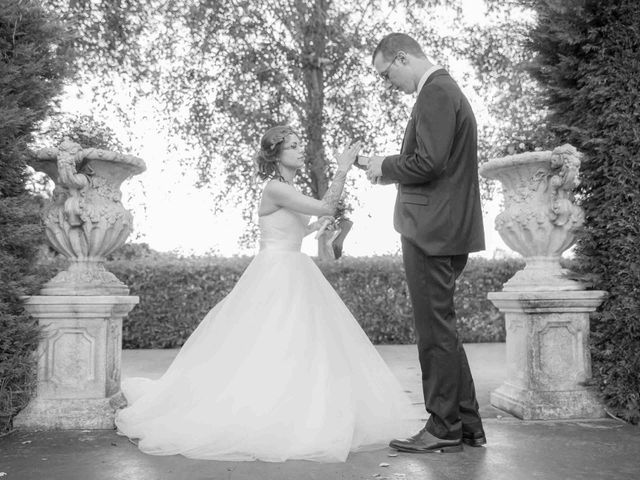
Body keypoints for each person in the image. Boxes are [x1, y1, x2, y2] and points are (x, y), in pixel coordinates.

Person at [115, 125, 414, 462]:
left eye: (302, 145)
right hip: (274, 271)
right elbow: (326, 205)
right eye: (294, 146)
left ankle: (301, 413)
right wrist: (343, 168)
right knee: (270, 341)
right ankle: (263, 413)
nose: (302, 150)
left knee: (301, 346)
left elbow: (310, 231)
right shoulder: (274, 188)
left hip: (296, 268)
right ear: (276, 154)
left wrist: (326, 229)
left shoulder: (290, 188)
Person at [365, 33, 486, 453]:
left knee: (433, 331)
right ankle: (467, 424)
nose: (388, 82)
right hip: (444, 225)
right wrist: (388, 170)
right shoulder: (444, 90)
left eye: (386, 73)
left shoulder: (435, 92)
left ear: (402, 57)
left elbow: (428, 162)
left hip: (431, 230)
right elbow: (436, 164)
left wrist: (384, 164)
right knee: (443, 327)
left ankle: (442, 427)